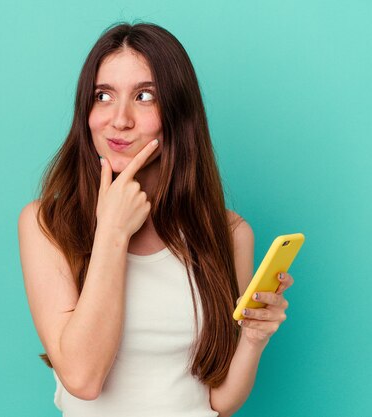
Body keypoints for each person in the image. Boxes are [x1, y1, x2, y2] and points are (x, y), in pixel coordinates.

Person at [17, 22, 293, 417]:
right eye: (103, 96)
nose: (120, 119)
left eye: (145, 96)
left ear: (178, 112)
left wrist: (253, 337)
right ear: (86, 110)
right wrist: (112, 231)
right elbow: (82, 378)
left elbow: (218, 401)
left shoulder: (229, 233)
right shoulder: (46, 224)